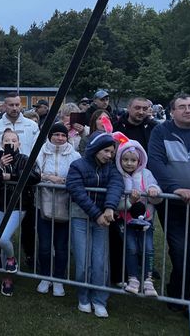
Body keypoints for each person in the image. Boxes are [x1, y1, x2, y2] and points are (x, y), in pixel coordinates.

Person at [147, 93, 190, 311]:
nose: (188, 110)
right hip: (172, 202)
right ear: (172, 111)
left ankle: (176, 292)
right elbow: (156, 162)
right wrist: (175, 188)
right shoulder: (160, 132)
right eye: (182, 107)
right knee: (178, 248)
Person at [66, 131, 124, 318]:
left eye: (112, 152)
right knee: (83, 261)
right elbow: (76, 190)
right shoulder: (77, 165)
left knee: (100, 262)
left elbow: (116, 185)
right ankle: (83, 297)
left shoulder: (111, 169)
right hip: (81, 217)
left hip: (102, 220)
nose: (109, 155)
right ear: (96, 149)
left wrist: (109, 207)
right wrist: (97, 213)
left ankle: (99, 300)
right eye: (106, 151)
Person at [0, 92, 39, 268]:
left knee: (29, 223)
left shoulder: (32, 125)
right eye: (11, 105)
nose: (15, 108)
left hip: (25, 183)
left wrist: (22, 168)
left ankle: (29, 254)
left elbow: (37, 151)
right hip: (2, 185)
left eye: (17, 104)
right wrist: (0, 164)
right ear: (4, 106)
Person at [0, 129, 38, 297]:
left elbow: (35, 176)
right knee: (4, 241)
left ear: (19, 143)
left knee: (2, 238)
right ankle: (7, 278)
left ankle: (11, 259)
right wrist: (0, 167)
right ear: (2, 144)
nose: (11, 143)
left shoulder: (25, 159)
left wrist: (10, 176)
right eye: (7, 141)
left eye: (14, 140)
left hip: (19, 205)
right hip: (1, 205)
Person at [35, 123, 80, 297]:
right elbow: (33, 173)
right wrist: (49, 178)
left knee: (61, 246)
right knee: (45, 245)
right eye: (56, 135)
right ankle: (45, 276)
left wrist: (65, 182)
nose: (60, 138)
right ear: (50, 136)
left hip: (65, 205)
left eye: (63, 135)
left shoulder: (74, 155)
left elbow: (78, 177)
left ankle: (59, 278)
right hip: (43, 205)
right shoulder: (41, 152)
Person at [115, 138, 161, 297]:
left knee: (148, 248)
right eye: (125, 160)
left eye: (133, 160)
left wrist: (154, 190)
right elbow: (116, 201)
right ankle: (133, 278)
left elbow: (156, 190)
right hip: (125, 220)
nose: (129, 163)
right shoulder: (118, 176)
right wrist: (130, 201)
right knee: (131, 248)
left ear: (139, 160)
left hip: (145, 220)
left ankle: (148, 280)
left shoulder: (146, 174)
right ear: (119, 160)